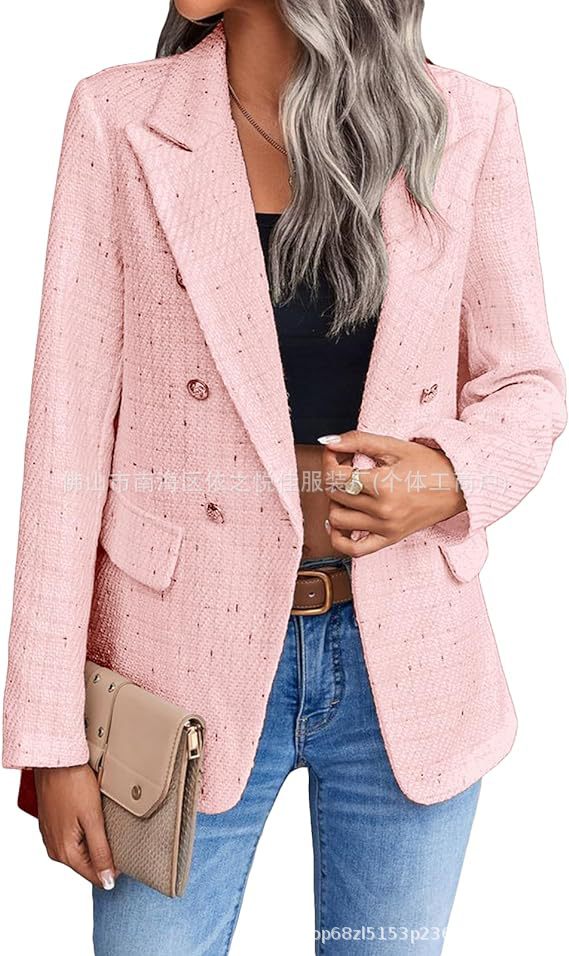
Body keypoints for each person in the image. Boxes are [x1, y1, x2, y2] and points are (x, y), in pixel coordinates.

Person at [2, 3, 566, 954]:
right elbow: (65, 444)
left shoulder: (466, 121)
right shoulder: (120, 117)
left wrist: (445, 478)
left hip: (408, 659)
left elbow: (525, 384)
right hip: (173, 671)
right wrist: (47, 738)